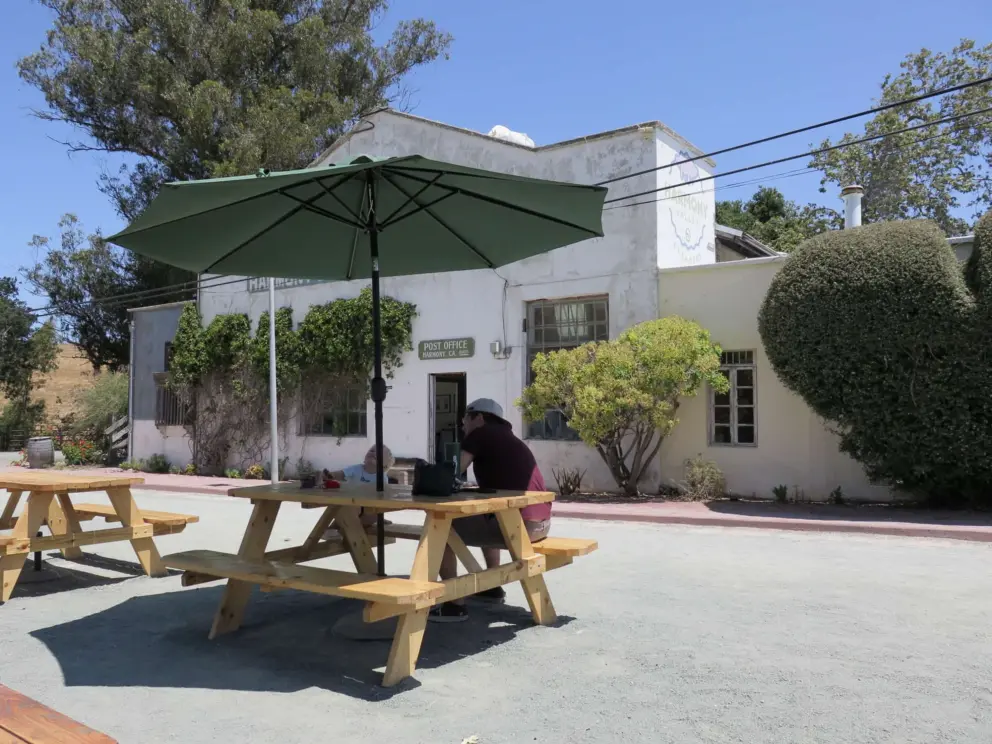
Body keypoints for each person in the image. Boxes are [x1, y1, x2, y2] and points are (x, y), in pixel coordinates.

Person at [428, 398, 551, 623]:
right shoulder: (508, 438)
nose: (463, 425)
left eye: (465, 419)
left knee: (442, 529)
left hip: (520, 524)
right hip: (540, 523)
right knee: (487, 514)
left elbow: (451, 472)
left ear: (479, 418)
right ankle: (493, 588)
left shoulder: (481, 434)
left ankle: (454, 606)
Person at [323, 444, 395, 531]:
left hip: (369, 509)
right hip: (351, 504)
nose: (373, 452)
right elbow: (342, 474)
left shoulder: (382, 478)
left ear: (385, 465)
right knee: (341, 509)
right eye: (371, 451)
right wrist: (331, 475)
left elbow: (382, 499)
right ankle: (335, 527)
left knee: (372, 514)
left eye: (378, 453)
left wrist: (380, 516)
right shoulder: (356, 469)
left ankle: (343, 529)